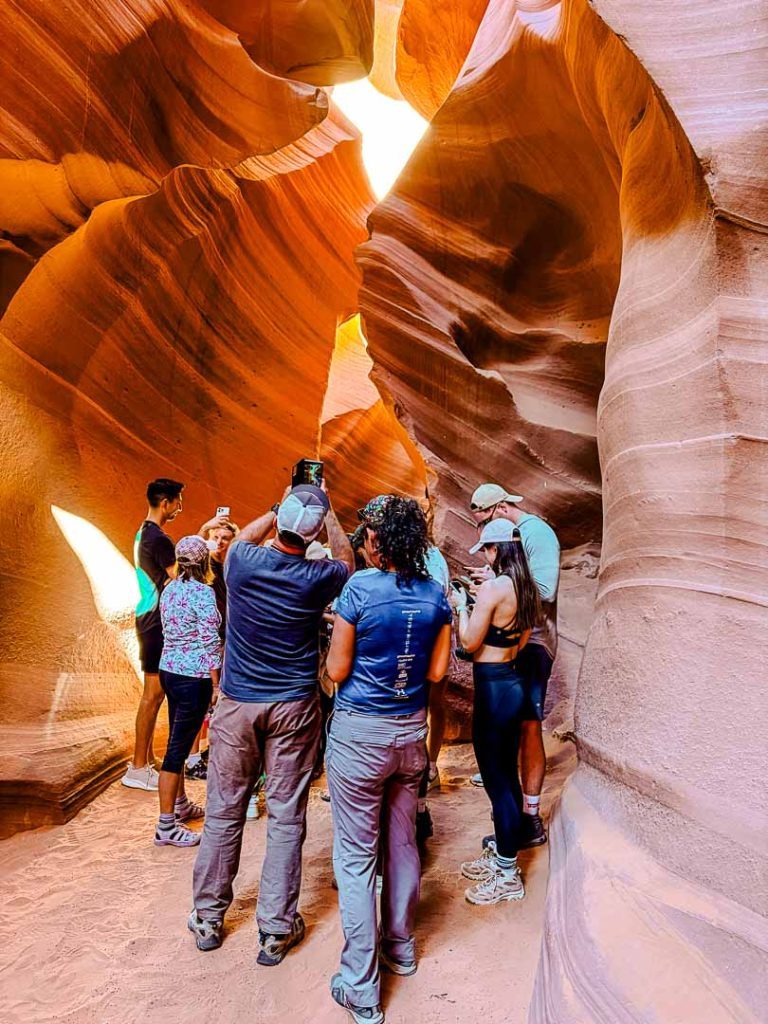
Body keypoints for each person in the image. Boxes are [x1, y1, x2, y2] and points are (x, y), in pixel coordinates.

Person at [188, 482, 354, 959]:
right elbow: (346, 560)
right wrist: (331, 512)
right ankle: (276, 928)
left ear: (278, 521)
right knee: (285, 815)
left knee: (223, 810)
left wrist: (278, 502)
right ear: (314, 532)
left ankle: (208, 917)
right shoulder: (319, 576)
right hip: (293, 707)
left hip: (238, 705)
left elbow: (242, 535)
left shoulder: (242, 561)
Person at [325, 496, 452, 1024]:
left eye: (369, 533)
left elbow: (336, 670)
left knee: (356, 860)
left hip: (359, 737)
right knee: (402, 845)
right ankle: (399, 947)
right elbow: (439, 672)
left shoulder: (358, 589)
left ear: (380, 539)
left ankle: (361, 987)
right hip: (409, 737)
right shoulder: (436, 596)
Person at [450, 518, 540, 905]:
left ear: (496, 550)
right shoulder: (526, 587)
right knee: (507, 777)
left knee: (497, 782)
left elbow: (469, 642)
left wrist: (461, 608)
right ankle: (503, 854)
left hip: (491, 687)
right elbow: (519, 641)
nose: (484, 556)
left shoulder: (494, 588)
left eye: (487, 549)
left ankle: (507, 872)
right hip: (512, 681)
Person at [467, 483, 560, 847]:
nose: (485, 536)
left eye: (487, 524)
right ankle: (512, 824)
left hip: (534, 644)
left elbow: (545, 590)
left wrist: (497, 587)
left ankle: (530, 820)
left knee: (529, 726)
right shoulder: (519, 540)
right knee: (509, 733)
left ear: (502, 508)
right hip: (519, 643)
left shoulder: (536, 533)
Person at [154, 536, 222, 847]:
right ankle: (166, 826)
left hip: (169, 669)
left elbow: (166, 628)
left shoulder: (170, 589)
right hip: (194, 677)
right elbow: (210, 642)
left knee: (175, 740)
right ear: (204, 562)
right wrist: (216, 683)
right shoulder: (204, 594)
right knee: (177, 750)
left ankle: (179, 804)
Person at [122, 478, 184, 791]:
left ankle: (145, 760)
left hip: (148, 616)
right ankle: (137, 767)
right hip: (155, 622)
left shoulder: (143, 533)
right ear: (166, 502)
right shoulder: (159, 538)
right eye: (177, 501)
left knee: (154, 694)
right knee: (153, 695)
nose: (179, 506)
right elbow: (178, 577)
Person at [184, 515, 239, 782]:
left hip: (224, 638)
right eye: (215, 537)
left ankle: (206, 753)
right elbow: (191, 550)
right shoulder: (204, 566)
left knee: (216, 703)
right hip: (206, 641)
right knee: (202, 700)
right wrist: (206, 526)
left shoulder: (231, 567)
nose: (218, 542)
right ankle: (193, 759)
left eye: (224, 538)